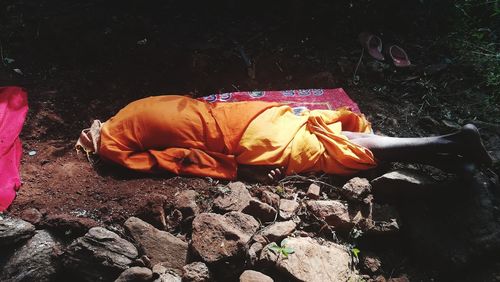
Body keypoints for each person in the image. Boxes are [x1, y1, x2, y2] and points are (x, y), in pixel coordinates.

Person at [76, 95, 492, 182]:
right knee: (337, 135)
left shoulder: (114, 146)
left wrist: (233, 171)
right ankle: (447, 151)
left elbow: (176, 159)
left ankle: (445, 142)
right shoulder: (132, 107)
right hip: (251, 115)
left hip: (249, 136)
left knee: (341, 148)